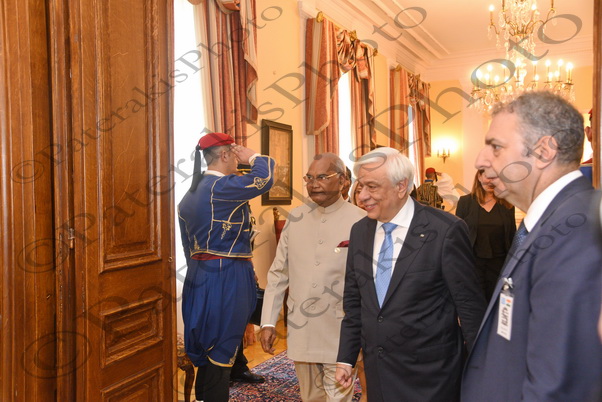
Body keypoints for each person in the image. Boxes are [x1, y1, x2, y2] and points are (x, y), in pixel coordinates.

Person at [462, 91, 602, 401]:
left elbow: (559, 384)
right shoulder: (549, 220)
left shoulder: (575, 229)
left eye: (496, 147)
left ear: (543, 151)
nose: (480, 161)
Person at [335, 147, 486, 402]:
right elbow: (354, 303)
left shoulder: (445, 230)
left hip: (432, 377)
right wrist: (346, 359)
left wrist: (482, 373)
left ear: (401, 186)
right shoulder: (360, 231)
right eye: (360, 186)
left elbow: (470, 308)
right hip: (379, 374)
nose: (361, 196)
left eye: (372, 187)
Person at [260, 153, 366, 401]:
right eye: (309, 178)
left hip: (341, 330)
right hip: (302, 327)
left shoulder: (361, 221)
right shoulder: (296, 218)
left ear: (343, 181)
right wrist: (268, 322)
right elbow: (278, 273)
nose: (313, 184)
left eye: (322, 177)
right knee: (310, 397)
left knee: (338, 397)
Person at [178, 132, 274, 402]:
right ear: (224, 155)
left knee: (207, 345)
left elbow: (188, 245)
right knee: (222, 345)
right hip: (227, 273)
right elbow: (265, 178)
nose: (238, 159)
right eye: (234, 153)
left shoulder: (189, 195)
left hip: (199, 274)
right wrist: (253, 157)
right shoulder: (220, 186)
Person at [456, 170, 516, 300]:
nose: (491, 182)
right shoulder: (465, 202)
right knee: (475, 301)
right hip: (473, 263)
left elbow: (512, 236)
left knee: (496, 301)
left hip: (500, 265)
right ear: (479, 177)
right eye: (488, 177)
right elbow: (458, 236)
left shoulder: (507, 203)